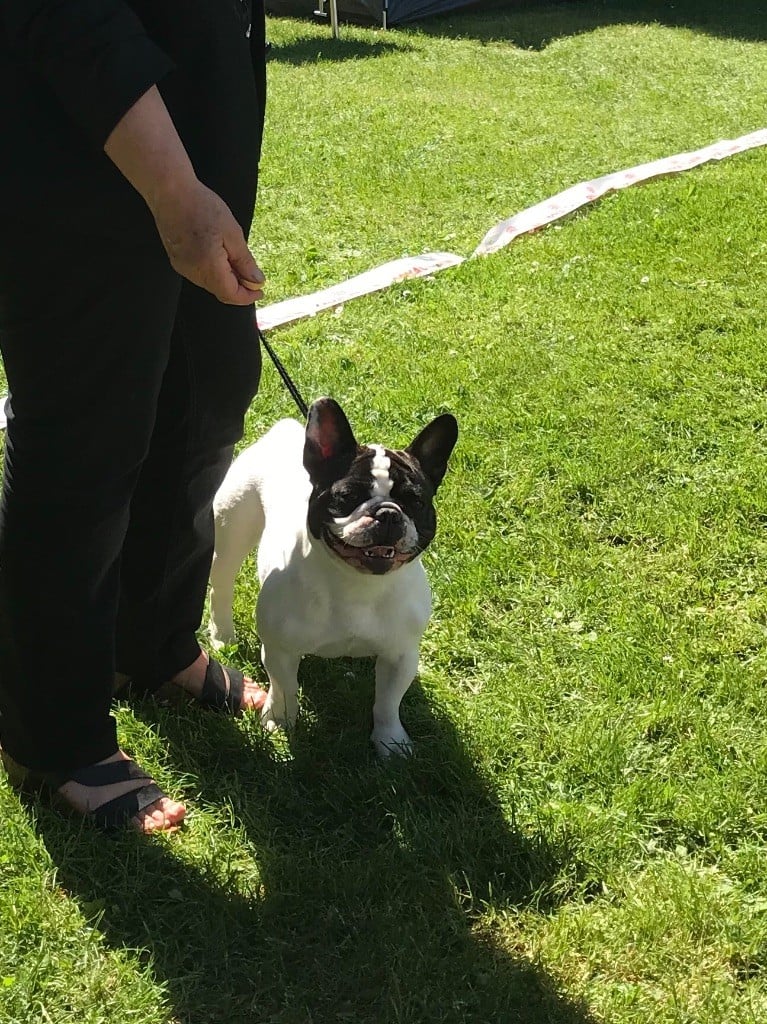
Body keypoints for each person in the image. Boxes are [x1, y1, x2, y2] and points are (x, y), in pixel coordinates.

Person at [0, 0, 270, 832]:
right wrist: (172, 190)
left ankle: (148, 643)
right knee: (86, 438)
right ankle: (50, 734)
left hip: (196, 144)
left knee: (211, 387)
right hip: (73, 153)